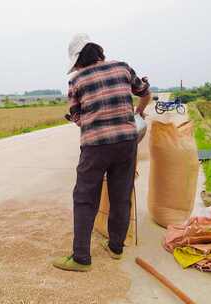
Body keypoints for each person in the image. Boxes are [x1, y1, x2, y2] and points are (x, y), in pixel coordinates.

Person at [53, 34, 151, 271]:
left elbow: (77, 118)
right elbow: (145, 91)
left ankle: (81, 259)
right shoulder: (123, 68)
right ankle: (116, 247)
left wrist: (92, 120)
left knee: (85, 198)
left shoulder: (76, 81)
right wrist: (138, 111)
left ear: (79, 60)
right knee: (121, 194)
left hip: (95, 147)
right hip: (127, 142)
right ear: (97, 51)